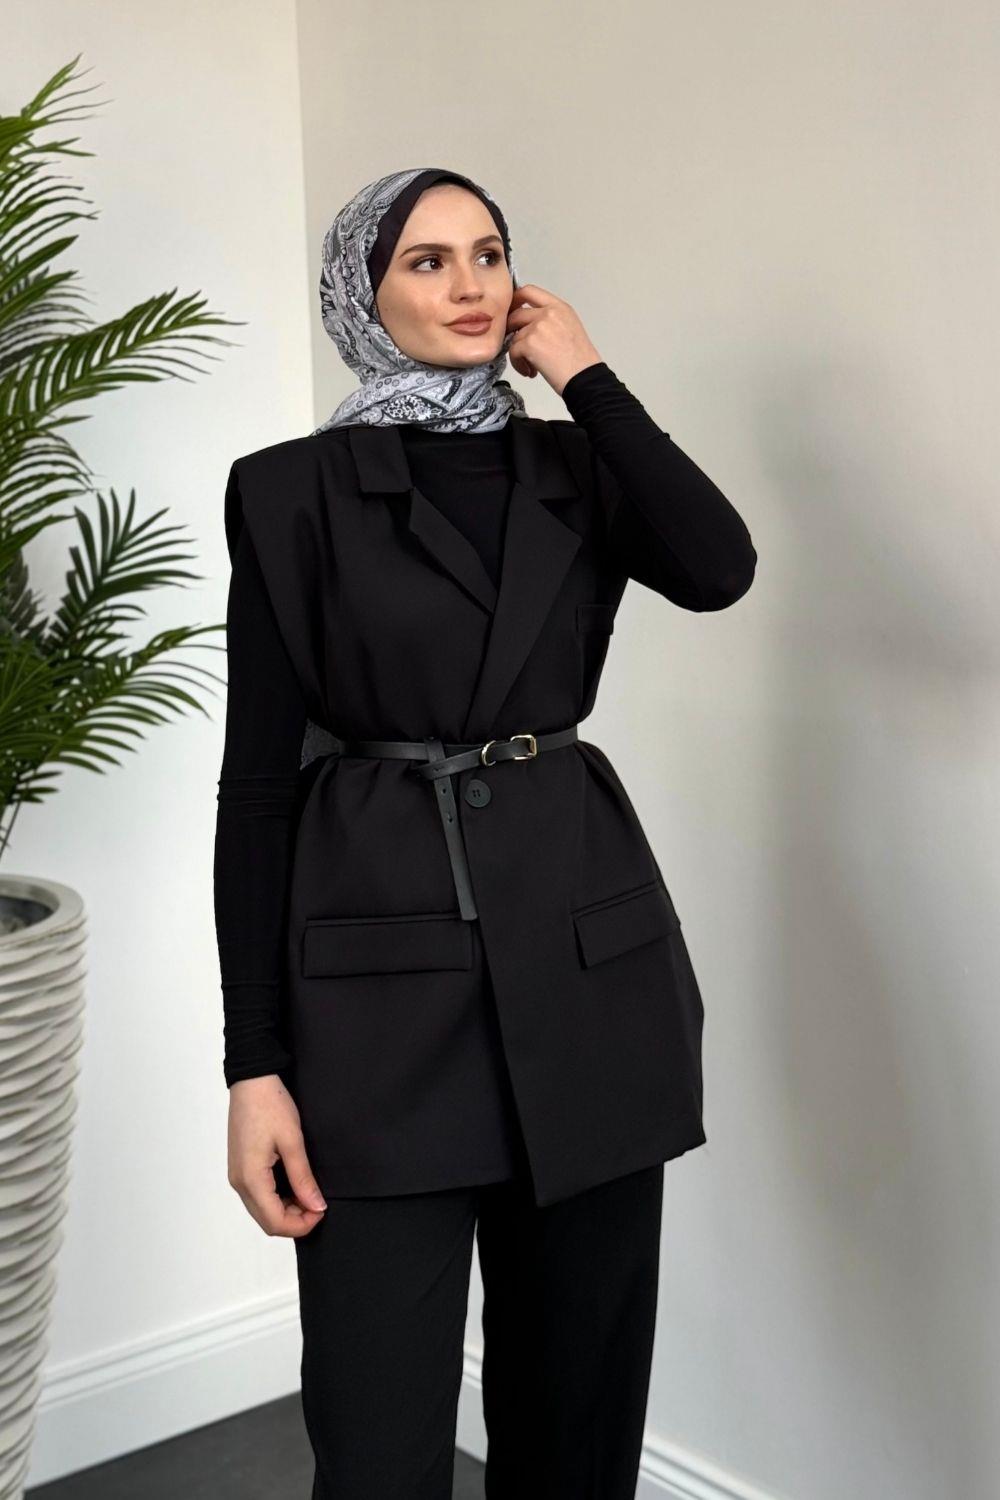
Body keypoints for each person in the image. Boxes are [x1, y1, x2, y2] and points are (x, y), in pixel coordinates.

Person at [213, 166, 757, 1499]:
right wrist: (253, 1066)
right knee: (378, 1445)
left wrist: (589, 378)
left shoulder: (578, 463)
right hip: (377, 1009)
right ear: (363, 292)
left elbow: (719, 567)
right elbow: (258, 788)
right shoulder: (288, 492)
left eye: (490, 253)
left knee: (577, 1439)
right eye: (426, 260)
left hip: (587, 974)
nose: (469, 284)